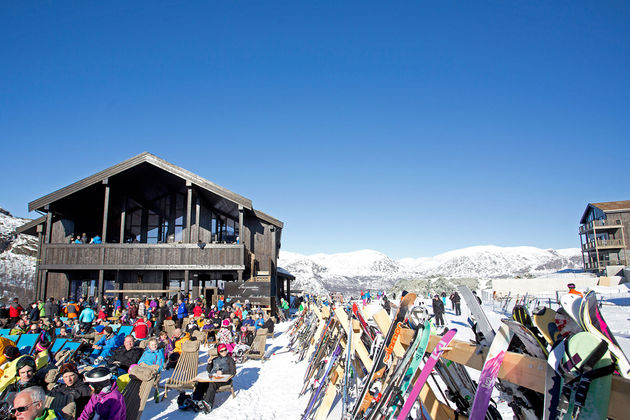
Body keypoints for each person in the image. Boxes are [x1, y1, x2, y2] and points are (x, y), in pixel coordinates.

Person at [191, 343, 236, 413]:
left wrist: (223, 373)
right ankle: (196, 400)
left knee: (212, 384)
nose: (224, 352)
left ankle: (208, 403)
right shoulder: (215, 359)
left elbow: (233, 372)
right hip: (214, 377)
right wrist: (209, 363)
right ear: (218, 352)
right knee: (201, 382)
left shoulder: (230, 359)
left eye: (225, 350)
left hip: (225, 380)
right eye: (221, 351)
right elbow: (209, 370)